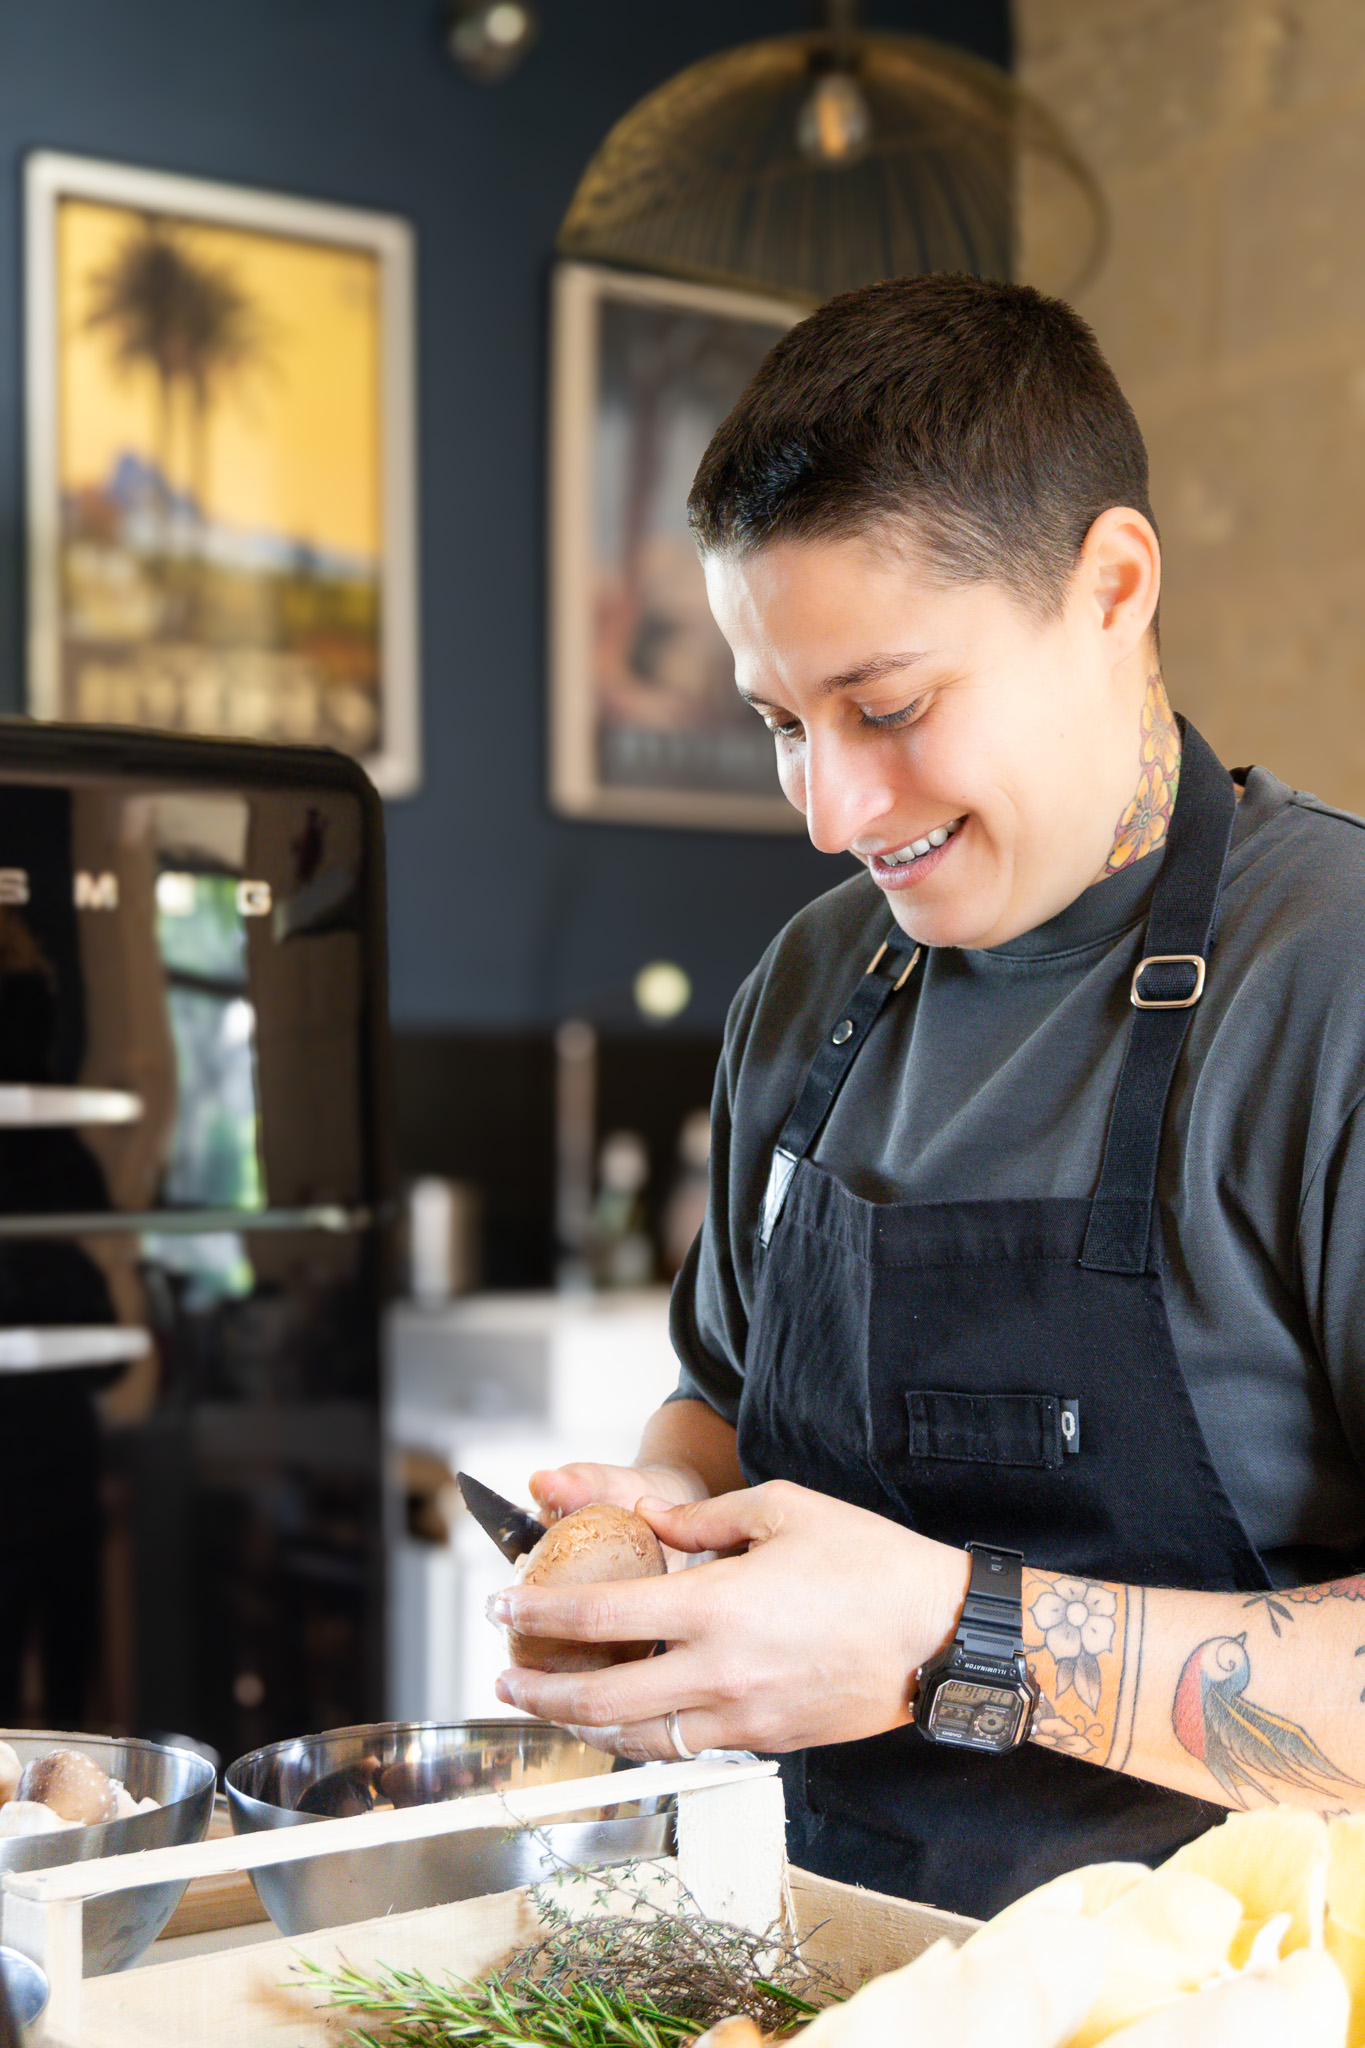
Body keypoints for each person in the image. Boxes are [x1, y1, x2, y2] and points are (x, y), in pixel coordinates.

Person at [490, 275, 1365, 1920]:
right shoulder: (817, 988)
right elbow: (719, 1393)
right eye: (779, 724)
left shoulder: (1330, 989)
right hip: (826, 1967)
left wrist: (941, 1636)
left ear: (1109, 586)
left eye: (887, 710)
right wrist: (665, 1530)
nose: (828, 809)